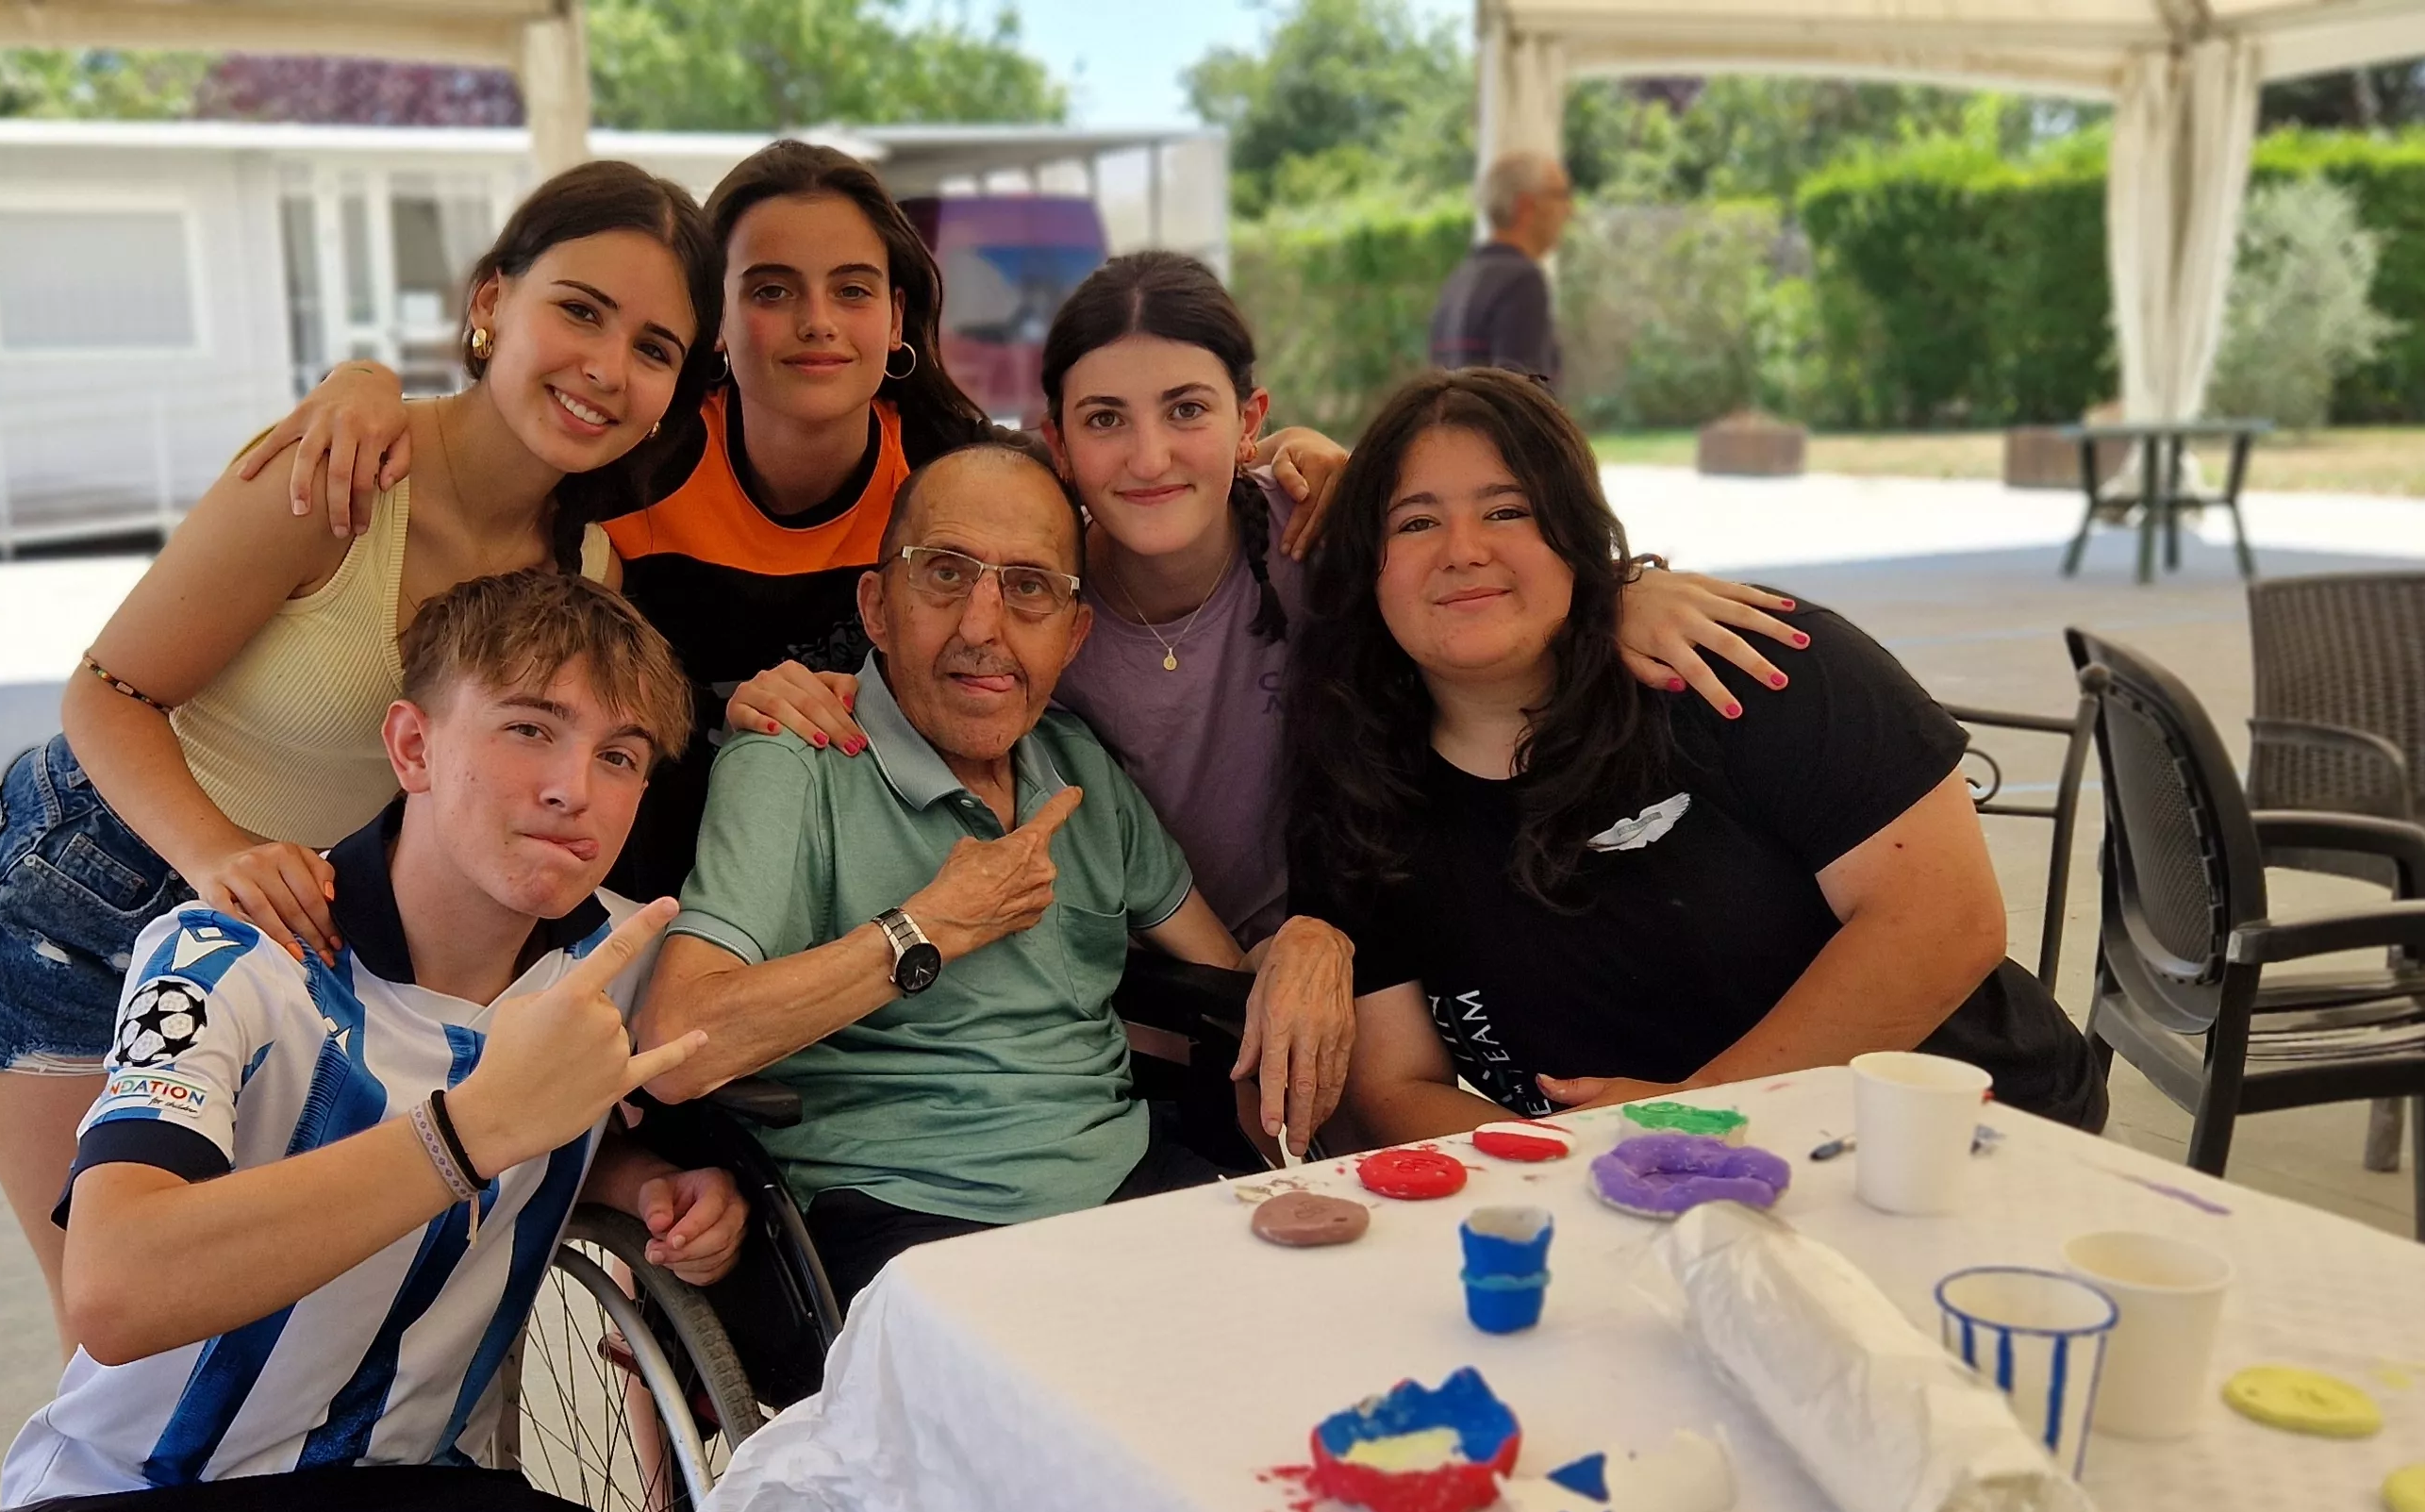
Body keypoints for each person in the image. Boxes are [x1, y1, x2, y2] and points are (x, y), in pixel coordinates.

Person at [718, 250, 1809, 1146]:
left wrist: (1622, 591)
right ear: (1056, 440)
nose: (1148, 455)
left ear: (1249, 422)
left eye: (1186, 410)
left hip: (1366, 959)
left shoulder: (1321, 550)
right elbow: (890, 647)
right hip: (1141, 999)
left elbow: (1482, 573)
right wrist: (767, 689)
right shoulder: (1030, 606)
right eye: (1104, 420)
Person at [0, 570, 745, 1512]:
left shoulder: (609, 960)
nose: (575, 789)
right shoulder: (218, 952)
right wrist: (467, 1135)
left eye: (620, 756)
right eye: (527, 730)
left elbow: (559, 1134)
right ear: (410, 745)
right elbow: (117, 1286)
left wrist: (641, 1185)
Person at [0, 159, 725, 1295]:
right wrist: (219, 860)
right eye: (580, 310)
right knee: (129, 1320)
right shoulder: (343, 474)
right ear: (492, 303)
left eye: (653, 349)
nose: (606, 367)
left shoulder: (586, 566)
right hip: (80, 894)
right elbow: (106, 690)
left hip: (285, 934)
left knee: (265, 1299)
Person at [237, 142, 1345, 902]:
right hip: (639, 890)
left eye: (853, 288)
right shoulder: (631, 465)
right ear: (714, 316)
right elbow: (494, 432)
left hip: (886, 896)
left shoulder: (958, 481)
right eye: (769, 288)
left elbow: (1129, 462)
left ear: (897, 313)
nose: (815, 322)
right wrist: (363, 380)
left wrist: (1298, 457)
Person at [1289, 370, 2106, 1143]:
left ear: (1576, 537)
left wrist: (1692, 1117)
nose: (1463, 549)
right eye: (1416, 521)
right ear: (1370, 568)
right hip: (1627, 1200)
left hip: (1949, 1138)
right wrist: (1590, 1159)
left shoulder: (1744, 664)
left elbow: (1944, 920)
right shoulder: (1362, 787)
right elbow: (1392, 1088)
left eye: (1508, 512)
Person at [636, 437, 1256, 1325]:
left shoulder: (1078, 765)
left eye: (1030, 587)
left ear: (1074, 632)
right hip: (904, 1214)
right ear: (878, 606)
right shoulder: (795, 760)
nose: (982, 627)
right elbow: (676, 1038)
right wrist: (925, 928)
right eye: (945, 574)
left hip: (1129, 1187)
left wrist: (1309, 945)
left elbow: (1222, 976)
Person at [1428, 153, 1573, 388]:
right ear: (1526, 206)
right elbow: (1523, 400)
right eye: (1560, 196)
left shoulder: (1460, 279)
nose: (1570, 210)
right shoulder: (1521, 282)